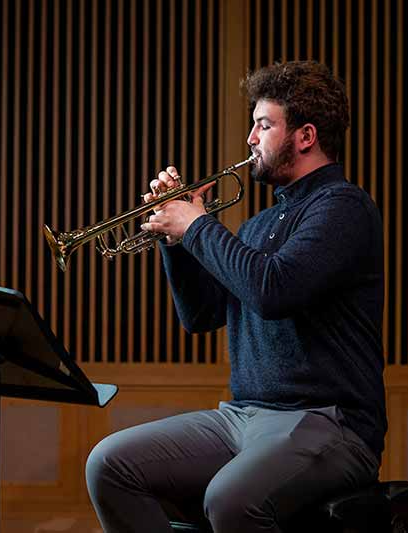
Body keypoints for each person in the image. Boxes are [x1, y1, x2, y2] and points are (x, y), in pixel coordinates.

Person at [85, 60, 387, 533]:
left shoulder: (343, 208)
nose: (250, 139)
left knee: (229, 499)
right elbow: (200, 315)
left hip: (331, 423)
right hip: (243, 417)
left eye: (263, 125)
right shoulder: (259, 225)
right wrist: (176, 241)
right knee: (109, 463)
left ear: (305, 137)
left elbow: (274, 290)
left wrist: (197, 225)